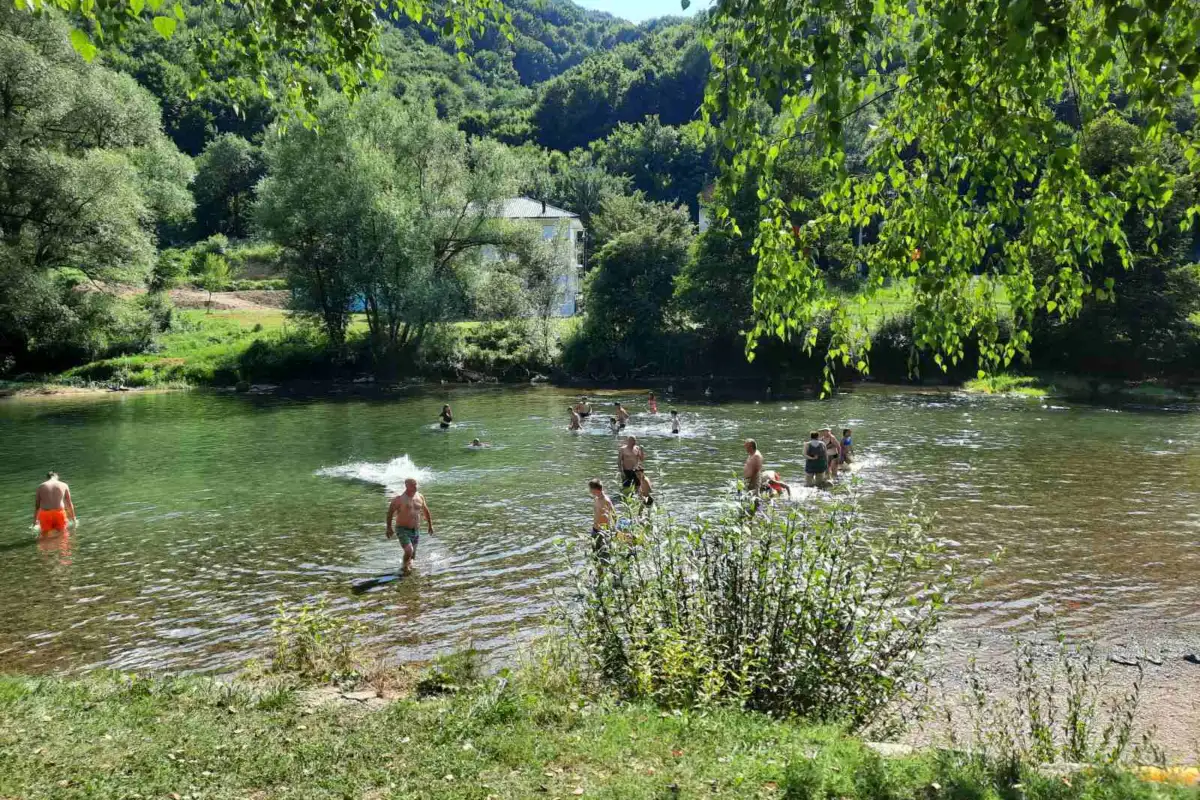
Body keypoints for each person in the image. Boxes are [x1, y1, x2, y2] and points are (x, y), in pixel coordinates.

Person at [386, 478, 434, 574]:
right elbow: (390, 512)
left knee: (412, 556)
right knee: (409, 550)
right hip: (402, 529)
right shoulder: (399, 499)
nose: (416, 487)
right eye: (413, 485)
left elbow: (425, 510)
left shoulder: (420, 496)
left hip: (415, 530)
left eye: (416, 485)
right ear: (407, 486)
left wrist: (430, 525)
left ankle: (408, 567)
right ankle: (404, 568)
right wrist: (389, 527)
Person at [34, 471, 75, 536]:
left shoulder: (40, 486)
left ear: (47, 478)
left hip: (45, 514)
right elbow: (69, 503)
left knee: (44, 535)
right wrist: (73, 518)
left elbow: (37, 505)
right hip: (59, 513)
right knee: (63, 534)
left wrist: (34, 521)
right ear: (57, 476)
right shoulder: (64, 485)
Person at [588, 478, 617, 557]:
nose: (589, 491)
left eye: (590, 489)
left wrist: (613, 531)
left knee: (604, 555)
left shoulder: (606, 501)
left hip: (603, 531)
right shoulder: (596, 498)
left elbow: (614, 516)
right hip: (594, 530)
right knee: (595, 554)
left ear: (595, 489)